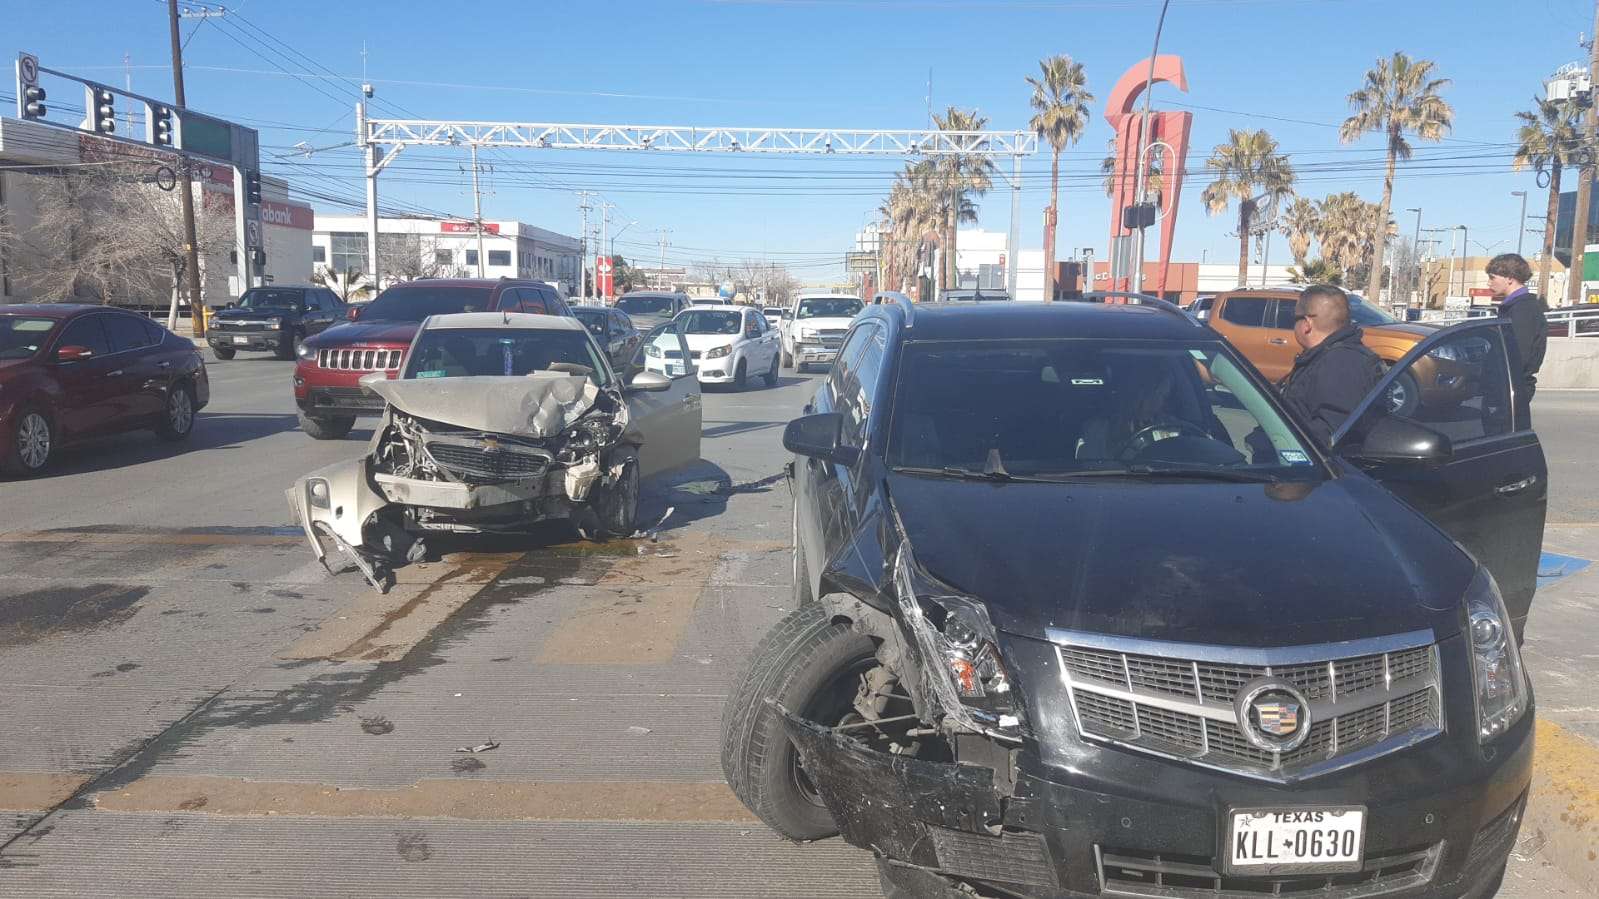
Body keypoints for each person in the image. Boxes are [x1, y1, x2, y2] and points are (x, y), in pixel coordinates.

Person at [1278, 285, 1385, 446]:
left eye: (1294, 319)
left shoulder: (1341, 364)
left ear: (1307, 323)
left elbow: (1330, 434)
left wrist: (1279, 441)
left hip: (1312, 466)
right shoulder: (1329, 357)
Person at [1486, 253, 1547, 427]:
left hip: (1511, 388)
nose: (1489, 283)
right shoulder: (1514, 307)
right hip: (1510, 388)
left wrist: (1497, 384)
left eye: (1492, 277)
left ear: (1510, 278)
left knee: (1504, 442)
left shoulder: (1522, 310)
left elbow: (1518, 355)